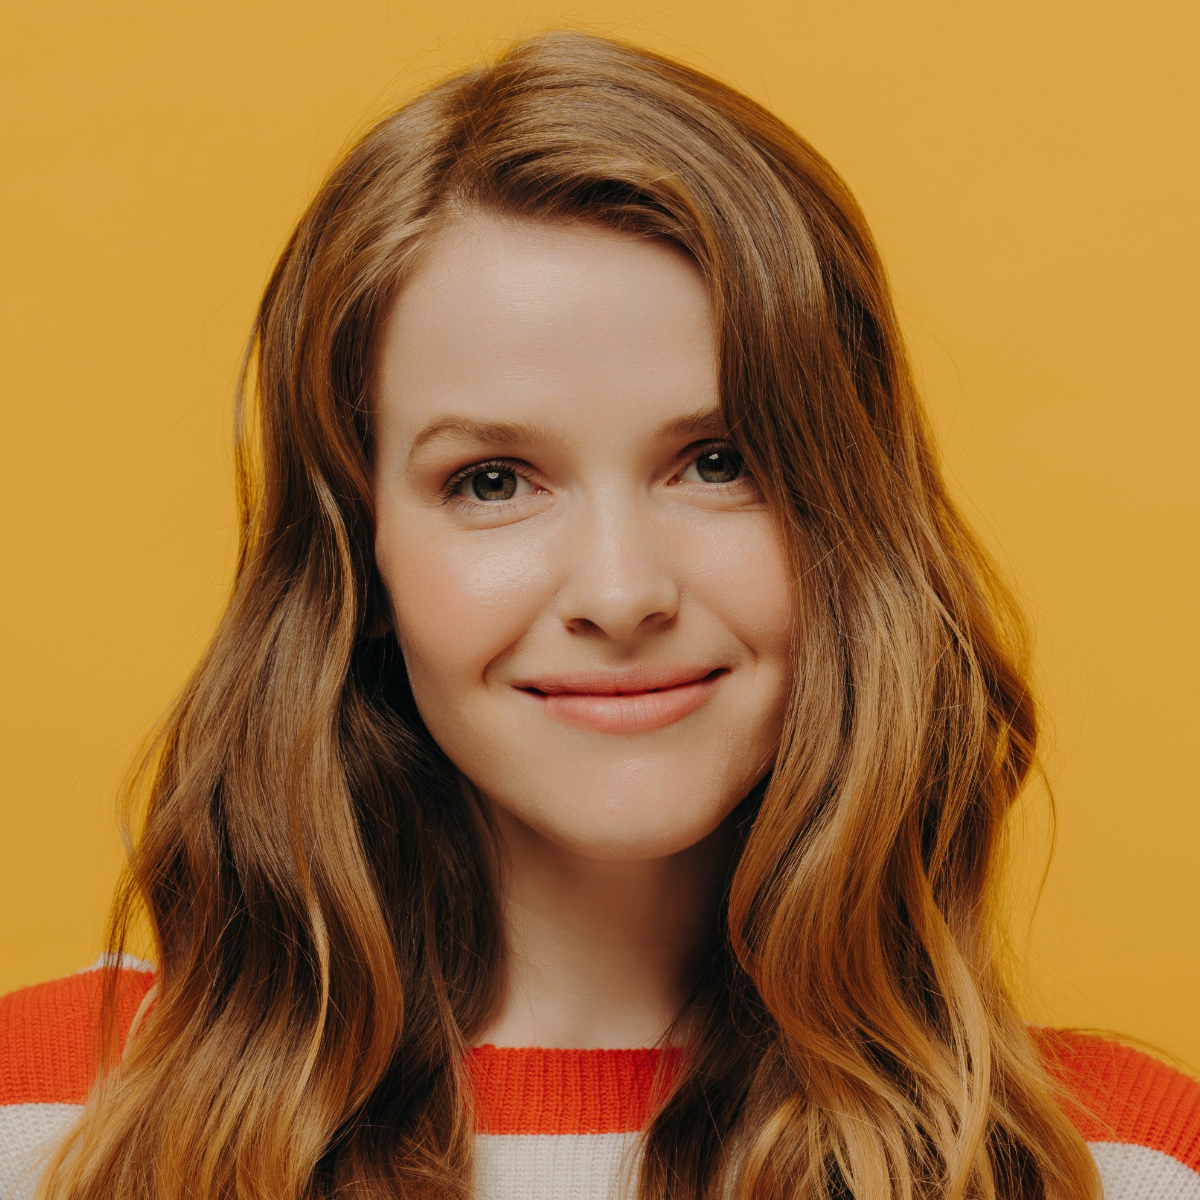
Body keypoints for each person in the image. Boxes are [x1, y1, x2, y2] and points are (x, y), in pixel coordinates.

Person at [1, 30, 1196, 1200]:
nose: (622, 596)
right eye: (492, 482)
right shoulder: (42, 1123)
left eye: (719, 462)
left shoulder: (1124, 1168)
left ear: (848, 519)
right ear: (360, 559)